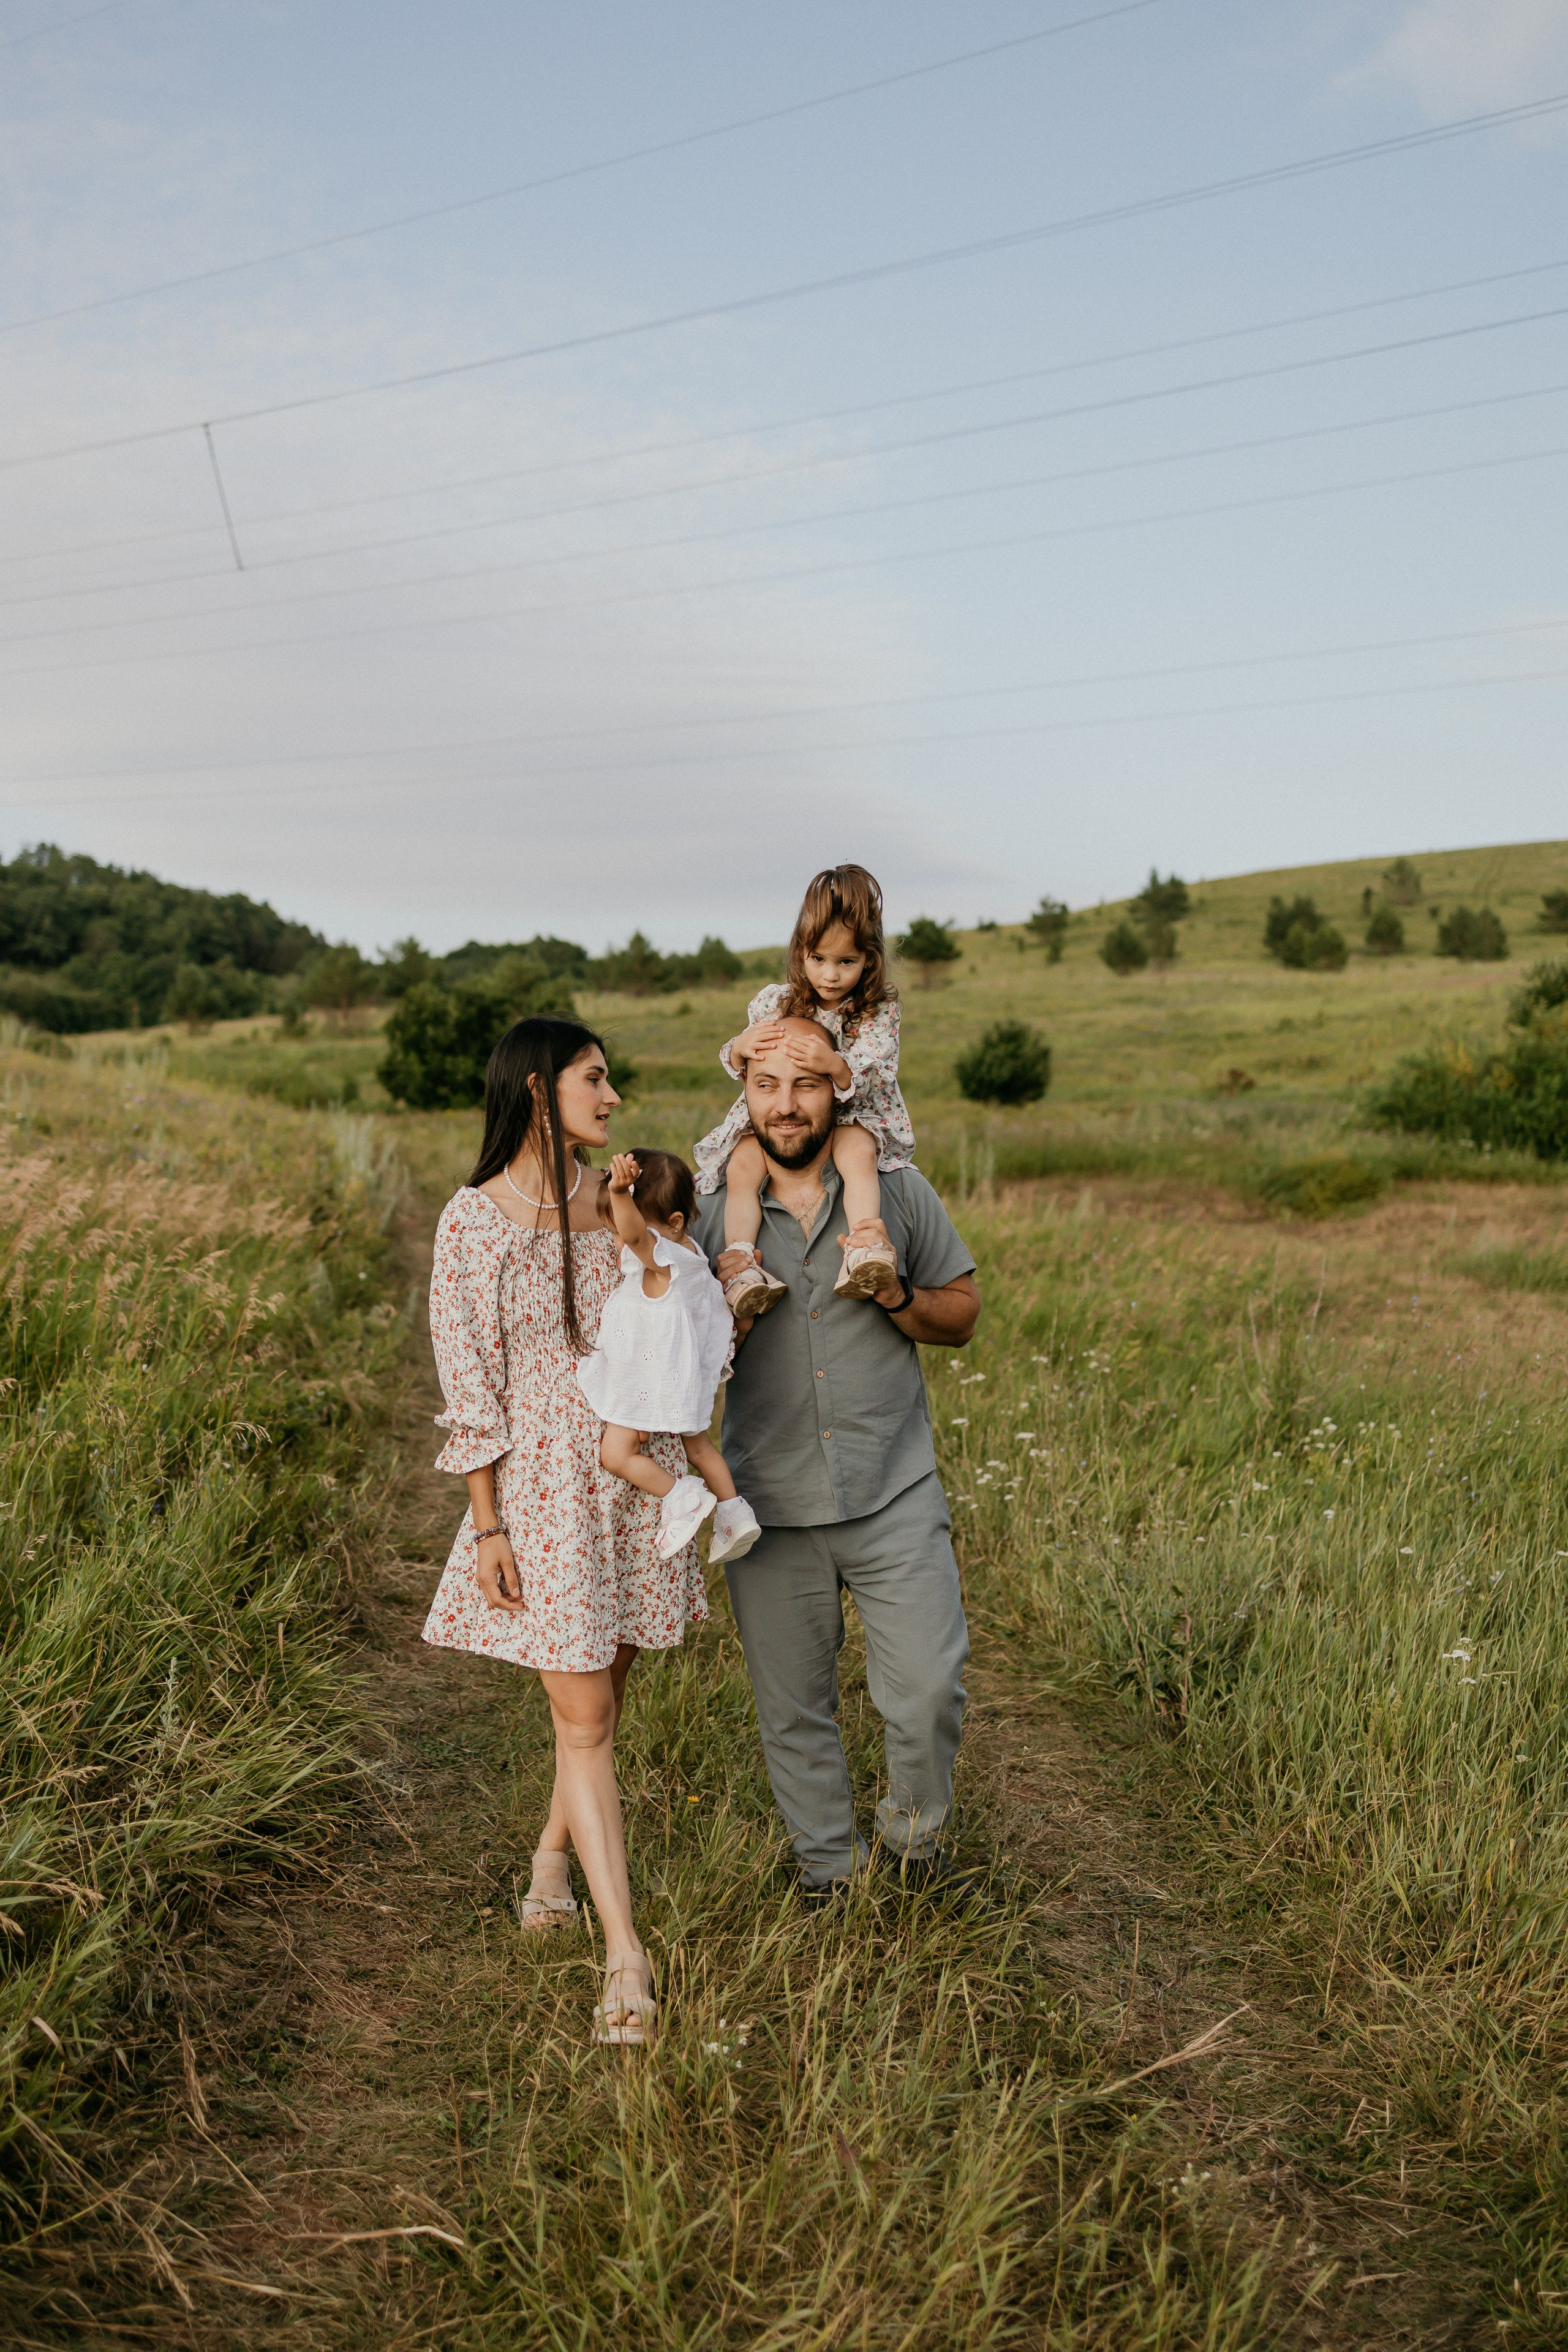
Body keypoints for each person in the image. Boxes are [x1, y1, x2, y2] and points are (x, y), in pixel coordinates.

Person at [421, 1017, 706, 2045]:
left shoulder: (621, 1199)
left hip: (632, 1472)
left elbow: (682, 1301)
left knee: (601, 1696)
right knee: (583, 1715)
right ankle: (625, 1954)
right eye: (596, 1077)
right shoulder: (473, 1222)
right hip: (544, 1490)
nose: (614, 1096)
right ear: (540, 1090)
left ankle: (551, 1856)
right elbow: (471, 1385)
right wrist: (487, 1524)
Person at [692, 1016, 982, 1903]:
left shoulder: (895, 1192)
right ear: (744, 1094)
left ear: (839, 1090)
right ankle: (829, 1872)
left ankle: (912, 1849)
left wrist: (895, 1292)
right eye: (767, 1087)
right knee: (794, 1708)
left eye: (806, 1085)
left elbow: (962, 1316)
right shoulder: (708, 1217)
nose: (785, 1106)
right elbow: (666, 1362)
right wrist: (723, 1335)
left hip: (894, 1488)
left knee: (928, 1689)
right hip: (770, 1501)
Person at [695, 864, 910, 1317]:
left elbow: (877, 1070)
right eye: (818, 959)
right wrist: (739, 1048)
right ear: (801, 953)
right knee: (743, 1165)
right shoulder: (777, 1002)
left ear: (869, 960)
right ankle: (741, 1265)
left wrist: (835, 1065)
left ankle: (864, 1247)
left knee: (857, 1155)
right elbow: (751, 1064)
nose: (830, 975)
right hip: (790, 1109)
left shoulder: (875, 1011)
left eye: (846, 962)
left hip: (853, 1111)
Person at [576, 1147, 761, 1564]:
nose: (619, 1242)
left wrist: (620, 1194)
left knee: (616, 1455)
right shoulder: (692, 1256)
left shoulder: (663, 1262)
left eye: (622, 1230)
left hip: (647, 1379)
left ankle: (682, 1495)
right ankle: (734, 1513)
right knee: (700, 1449)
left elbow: (638, 1237)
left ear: (674, 1224)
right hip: (686, 1377)